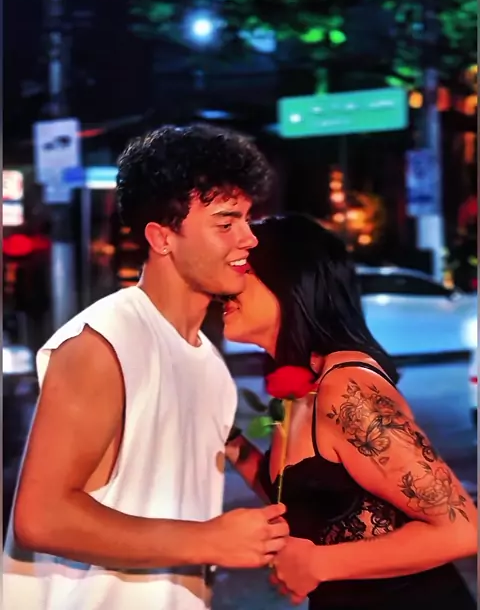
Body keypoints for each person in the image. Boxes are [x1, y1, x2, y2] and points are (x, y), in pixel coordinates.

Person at [3, 124, 289, 610]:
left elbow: (225, 455)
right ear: (162, 237)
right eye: (225, 223)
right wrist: (209, 540)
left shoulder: (207, 360)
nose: (248, 238)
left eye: (246, 219)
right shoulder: (104, 343)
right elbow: (41, 517)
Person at [224, 213, 477, 610]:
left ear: (289, 280)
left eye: (243, 270)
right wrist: (229, 441)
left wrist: (317, 564)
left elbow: (461, 530)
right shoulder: (298, 383)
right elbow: (304, 495)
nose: (225, 286)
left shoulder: (347, 389)